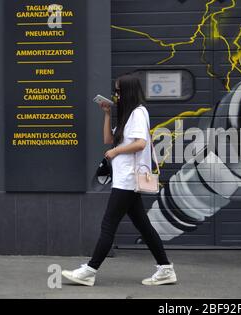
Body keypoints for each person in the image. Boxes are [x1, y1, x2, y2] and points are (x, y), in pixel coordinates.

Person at [62, 74, 177, 286]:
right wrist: (107, 114)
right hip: (125, 181)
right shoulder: (127, 116)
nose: (116, 95)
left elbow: (141, 143)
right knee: (144, 226)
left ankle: (89, 270)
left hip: (128, 181)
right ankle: (166, 269)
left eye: (118, 91)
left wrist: (115, 152)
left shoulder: (138, 112)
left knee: (108, 225)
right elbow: (108, 139)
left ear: (128, 91)